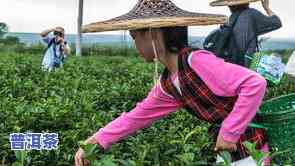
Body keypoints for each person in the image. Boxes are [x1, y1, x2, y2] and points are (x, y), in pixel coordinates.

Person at [75, 0, 269, 165]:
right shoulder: (168, 83)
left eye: (135, 36)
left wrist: (229, 132)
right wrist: (94, 141)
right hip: (229, 151)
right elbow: (135, 117)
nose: (135, 44)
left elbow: (254, 83)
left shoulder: (197, 61)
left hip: (252, 148)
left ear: (153, 34)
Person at [209, 0, 282, 67]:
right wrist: (266, 7)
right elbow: (277, 23)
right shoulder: (251, 14)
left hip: (230, 63)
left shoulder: (230, 19)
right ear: (246, 2)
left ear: (230, 6)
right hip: (244, 64)